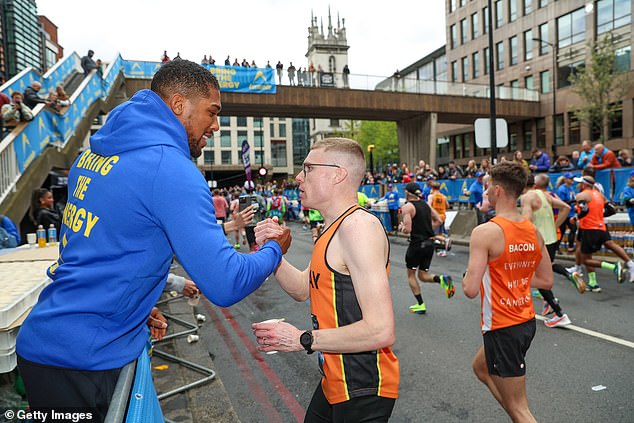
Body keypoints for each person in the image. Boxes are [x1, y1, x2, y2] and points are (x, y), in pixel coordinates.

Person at [16, 59, 291, 418]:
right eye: (212, 112)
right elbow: (225, 281)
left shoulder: (94, 154)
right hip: (84, 361)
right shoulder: (171, 169)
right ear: (179, 105)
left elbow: (101, 250)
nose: (216, 125)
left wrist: (133, 307)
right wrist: (273, 250)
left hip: (51, 341)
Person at [252, 138, 399, 422]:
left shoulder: (358, 227)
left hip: (362, 385)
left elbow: (381, 330)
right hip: (334, 380)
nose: (298, 177)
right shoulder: (332, 229)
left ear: (338, 174)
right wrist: (273, 253)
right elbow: (302, 289)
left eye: (307, 168)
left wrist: (302, 339)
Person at [462, 161, 553, 423]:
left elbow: (469, 289)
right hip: (525, 322)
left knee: (520, 408)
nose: (486, 191)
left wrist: (472, 275)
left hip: (502, 326)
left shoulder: (485, 232)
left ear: (499, 190)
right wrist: (513, 275)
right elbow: (546, 280)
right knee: (480, 367)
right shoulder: (532, 231)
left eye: (488, 186)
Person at [520, 174, 586, 328]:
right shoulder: (544, 195)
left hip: (539, 240)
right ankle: (567, 275)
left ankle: (559, 313)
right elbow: (566, 207)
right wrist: (555, 225)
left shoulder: (526, 197)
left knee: (538, 277)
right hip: (551, 238)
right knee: (547, 267)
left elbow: (526, 222)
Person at [397, 182, 455, 316]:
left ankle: (420, 304)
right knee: (423, 275)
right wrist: (427, 230)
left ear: (407, 193)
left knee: (411, 275)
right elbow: (438, 221)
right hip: (429, 244)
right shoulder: (426, 205)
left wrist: (401, 228)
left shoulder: (408, 207)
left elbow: (408, 230)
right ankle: (441, 279)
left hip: (416, 245)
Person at [570, 175, 634, 289]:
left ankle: (613, 267)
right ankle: (594, 283)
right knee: (610, 244)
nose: (578, 185)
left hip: (588, 228)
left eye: (580, 183)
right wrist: (599, 215)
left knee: (586, 259)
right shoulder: (600, 195)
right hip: (600, 226)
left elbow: (584, 209)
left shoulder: (582, 195)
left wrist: (576, 217)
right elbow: (612, 209)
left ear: (584, 184)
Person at [556, 172, 578, 252]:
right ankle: (557, 247)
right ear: (565, 179)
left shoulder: (571, 188)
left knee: (573, 228)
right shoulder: (561, 189)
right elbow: (561, 203)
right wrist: (572, 201)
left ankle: (570, 246)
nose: (572, 180)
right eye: (570, 178)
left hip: (571, 212)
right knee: (562, 230)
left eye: (572, 178)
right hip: (564, 213)